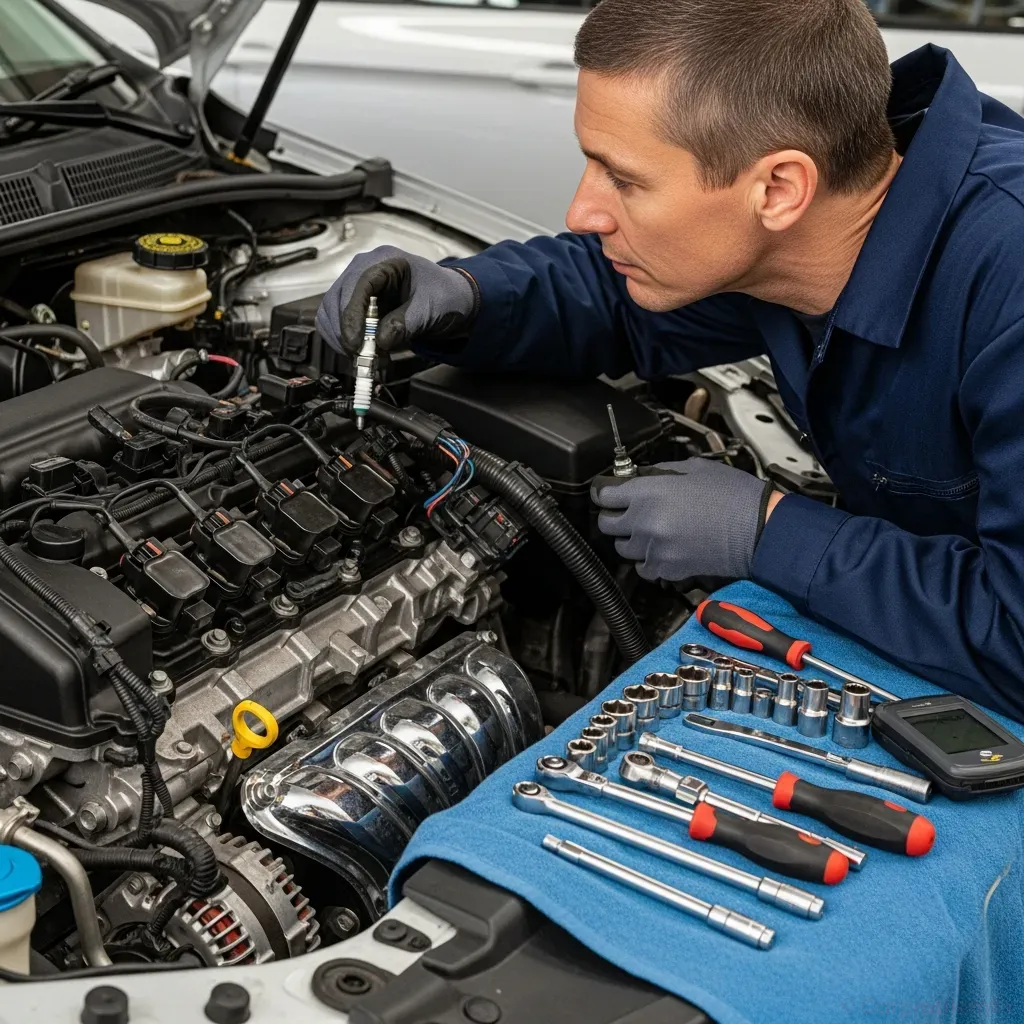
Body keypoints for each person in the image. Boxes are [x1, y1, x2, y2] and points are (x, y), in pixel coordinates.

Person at [315, 0, 1024, 721]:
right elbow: (615, 296)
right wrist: (469, 296)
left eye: (624, 180)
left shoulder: (1008, 284)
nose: (582, 211)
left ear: (779, 189)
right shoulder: (830, 211)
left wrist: (771, 533)